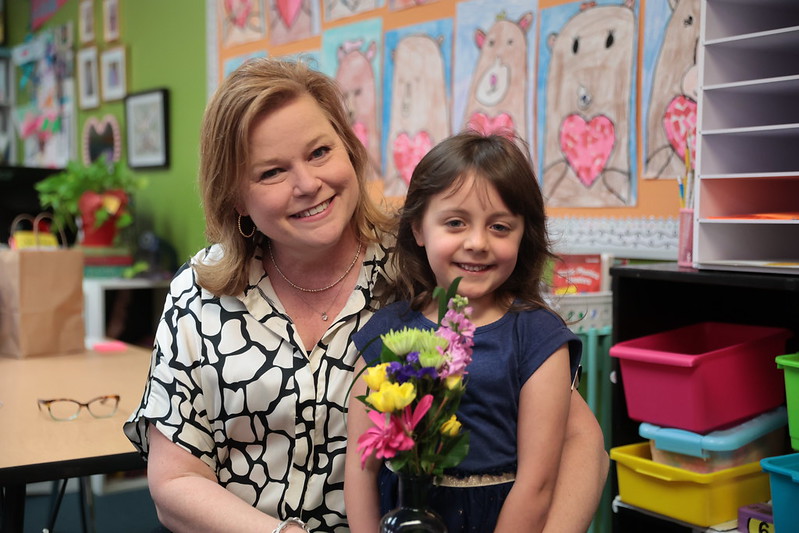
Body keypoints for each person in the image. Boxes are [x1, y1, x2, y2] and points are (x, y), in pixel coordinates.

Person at [123, 58, 606, 533]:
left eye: (319, 152)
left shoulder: (425, 263)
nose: (308, 184)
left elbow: (581, 446)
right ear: (234, 195)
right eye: (271, 172)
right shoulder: (200, 291)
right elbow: (175, 480)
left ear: (350, 149)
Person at [345, 130, 599, 533]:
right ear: (418, 229)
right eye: (455, 222)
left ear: (522, 235)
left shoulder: (537, 337)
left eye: (500, 227)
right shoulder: (387, 332)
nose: (478, 242)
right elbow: (360, 469)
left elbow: (538, 483)